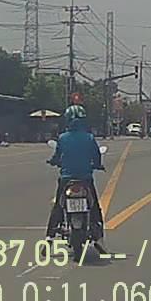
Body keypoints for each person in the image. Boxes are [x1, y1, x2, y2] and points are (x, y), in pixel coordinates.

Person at [46, 105, 106, 247]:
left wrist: (53, 161)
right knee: (94, 207)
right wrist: (98, 165)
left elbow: (56, 156)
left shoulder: (62, 138)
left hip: (66, 178)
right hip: (85, 178)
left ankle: (50, 236)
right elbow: (96, 156)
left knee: (58, 206)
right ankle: (98, 237)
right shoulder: (89, 137)